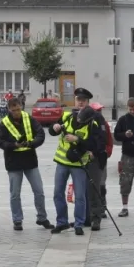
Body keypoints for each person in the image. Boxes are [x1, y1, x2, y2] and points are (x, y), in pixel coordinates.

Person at [0, 97, 53, 231]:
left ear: (22, 107)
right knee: (15, 194)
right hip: (13, 162)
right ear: (9, 109)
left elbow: (40, 134)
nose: (16, 112)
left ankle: (42, 218)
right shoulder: (4, 123)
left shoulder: (29, 119)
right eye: (13, 110)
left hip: (30, 161)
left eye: (18, 109)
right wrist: (14, 145)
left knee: (39, 191)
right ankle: (17, 220)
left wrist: (31, 143)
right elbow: (1, 143)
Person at [49, 101, 103, 236]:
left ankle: (79, 224)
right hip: (62, 162)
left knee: (80, 196)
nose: (79, 121)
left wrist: (77, 140)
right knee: (58, 193)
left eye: (82, 121)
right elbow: (52, 131)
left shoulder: (93, 125)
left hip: (79, 165)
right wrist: (54, 127)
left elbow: (94, 145)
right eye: (79, 118)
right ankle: (62, 222)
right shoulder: (67, 116)